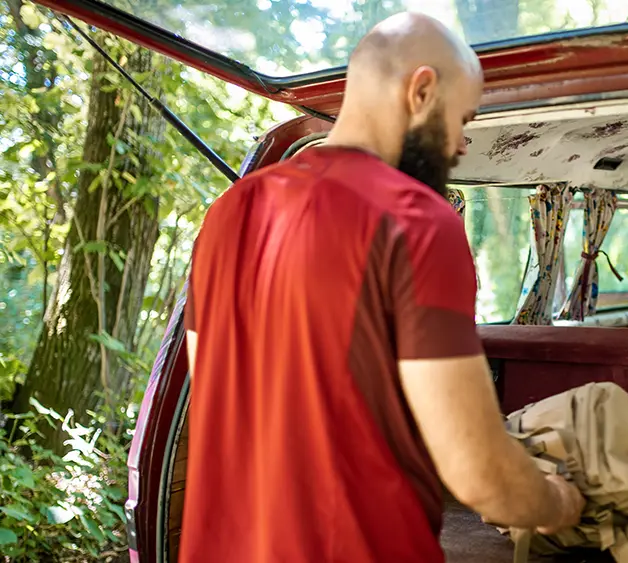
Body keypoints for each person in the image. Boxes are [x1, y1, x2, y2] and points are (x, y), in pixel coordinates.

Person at [178, 11, 585, 563]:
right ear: (421, 90)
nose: (462, 143)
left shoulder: (228, 214)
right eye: (462, 119)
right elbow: (479, 475)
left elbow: (216, 391)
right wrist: (559, 502)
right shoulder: (415, 220)